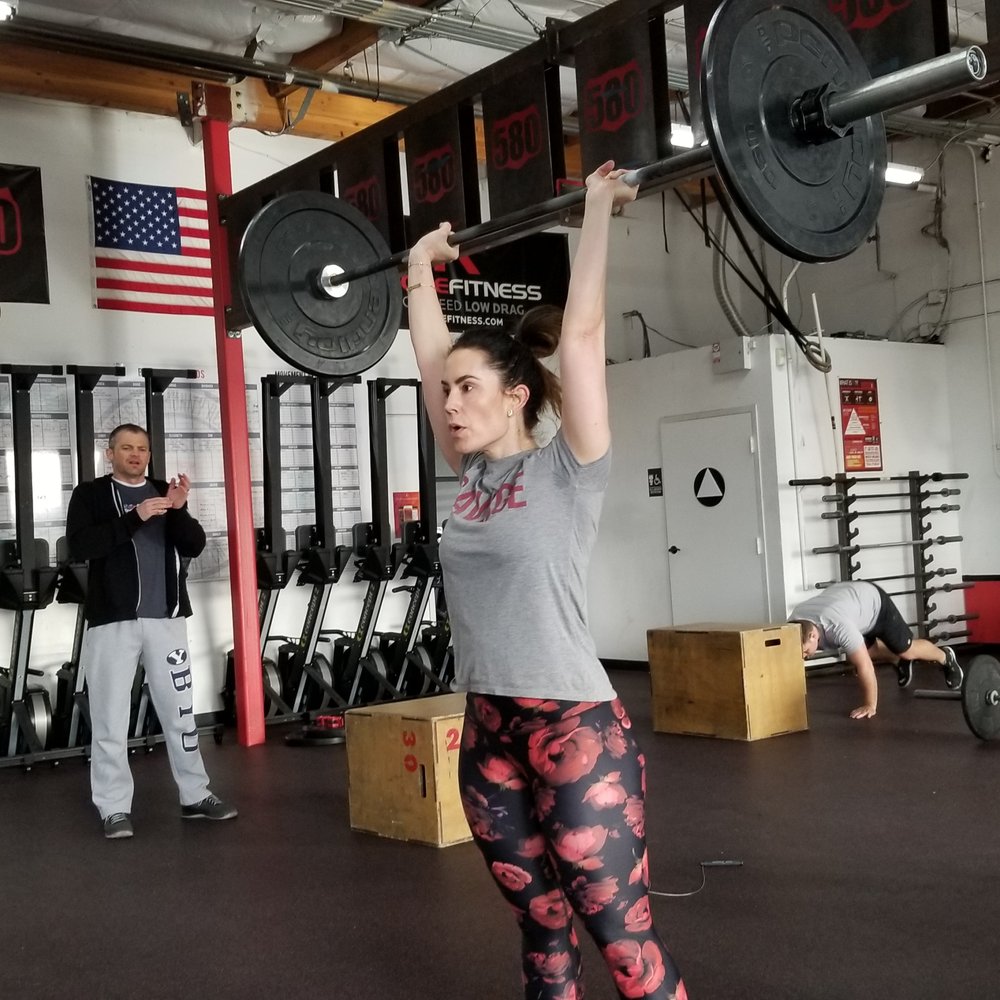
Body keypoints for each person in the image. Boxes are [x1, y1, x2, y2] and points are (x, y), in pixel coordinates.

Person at [405, 162, 687, 1000]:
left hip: (575, 729)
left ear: (516, 397)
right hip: (487, 731)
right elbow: (428, 356)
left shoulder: (571, 468)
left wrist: (597, 211)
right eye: (447, 392)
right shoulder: (469, 475)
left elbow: (584, 337)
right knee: (541, 930)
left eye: (469, 389)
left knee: (624, 943)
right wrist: (418, 267)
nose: (451, 403)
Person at [66, 423, 237, 839]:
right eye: (126, 448)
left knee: (180, 714)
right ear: (110, 454)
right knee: (110, 717)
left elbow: (193, 545)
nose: (135, 454)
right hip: (114, 621)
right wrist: (135, 517)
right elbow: (82, 546)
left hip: (167, 619)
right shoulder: (90, 495)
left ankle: (195, 794)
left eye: (142, 448)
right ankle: (113, 807)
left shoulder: (164, 490)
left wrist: (177, 508)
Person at [790, 579, 964, 720]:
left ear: (813, 635)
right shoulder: (793, 623)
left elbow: (865, 666)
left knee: (907, 650)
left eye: (805, 651)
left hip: (876, 605)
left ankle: (945, 657)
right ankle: (898, 660)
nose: (803, 656)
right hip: (852, 606)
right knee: (861, 653)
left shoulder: (838, 627)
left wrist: (869, 705)